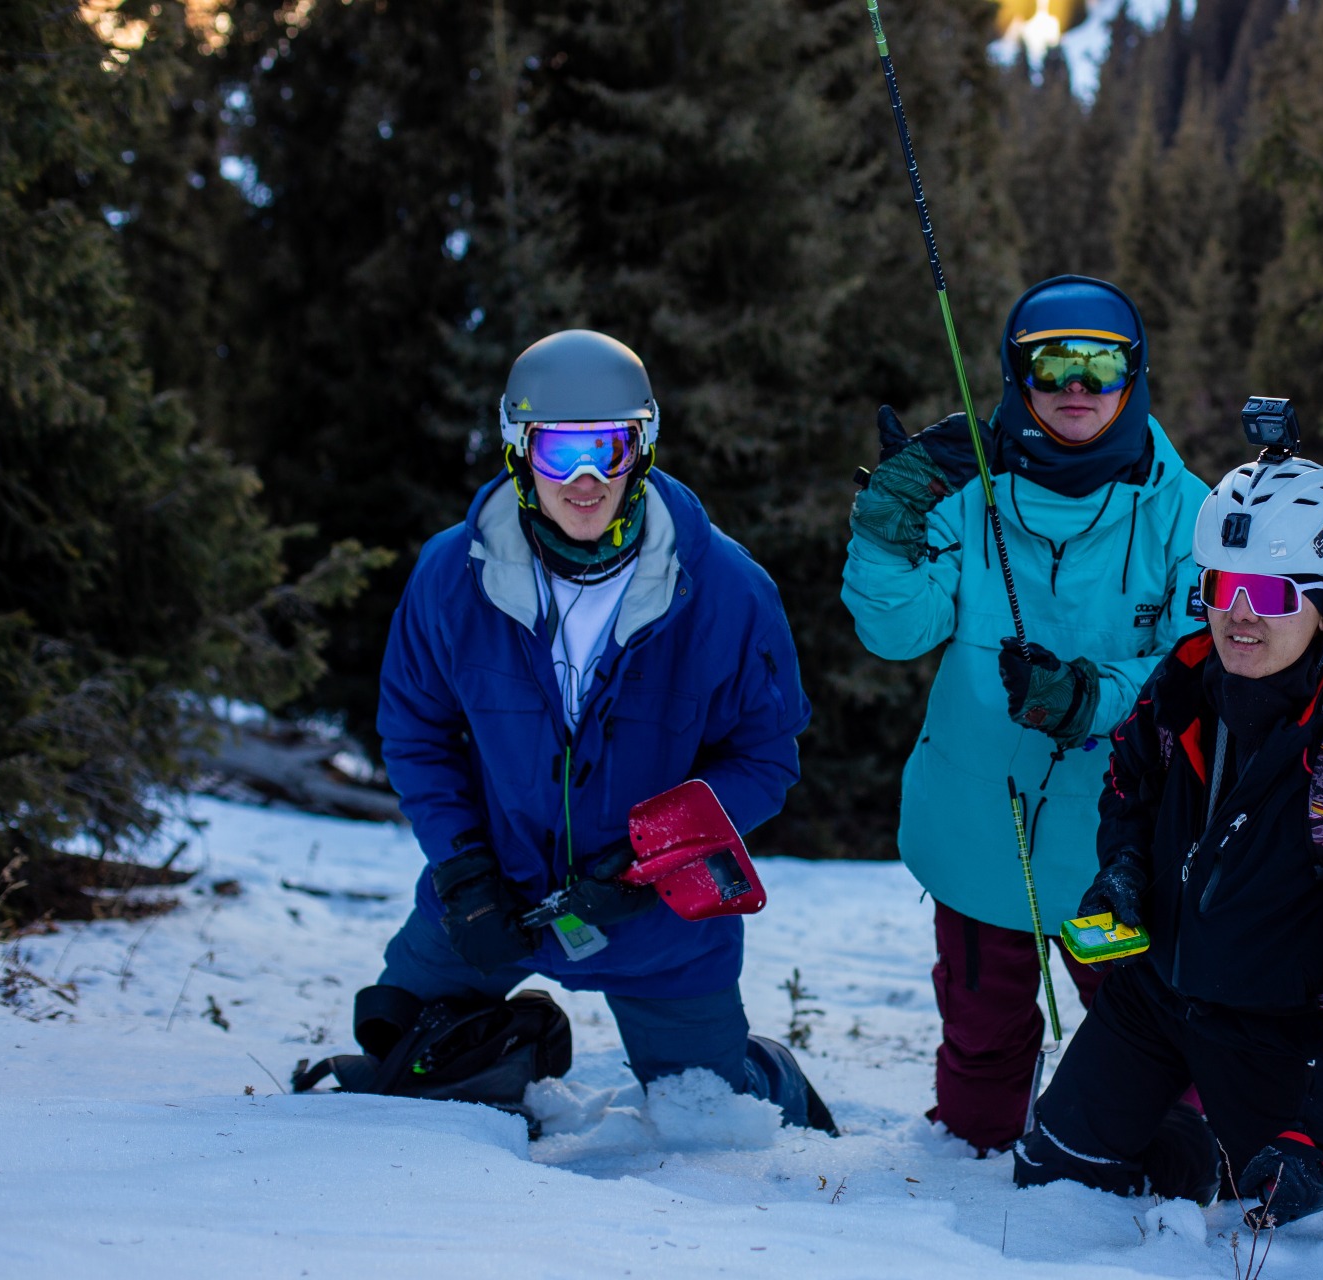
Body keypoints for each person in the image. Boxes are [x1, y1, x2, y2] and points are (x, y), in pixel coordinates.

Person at [373, 329, 833, 1131]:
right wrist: (464, 872)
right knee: (395, 1043)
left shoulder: (726, 590)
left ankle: (770, 1075)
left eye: (609, 450)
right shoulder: (453, 575)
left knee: (708, 1120)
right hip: (496, 900)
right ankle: (515, 1051)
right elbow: (415, 731)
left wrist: (652, 855)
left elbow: (765, 756)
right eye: (560, 454)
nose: (586, 481)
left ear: (642, 448)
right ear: (520, 451)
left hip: (659, 918)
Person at [1013, 442, 1323, 1224]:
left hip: (1275, 1028)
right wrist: (1122, 871)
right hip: (1153, 994)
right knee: (1054, 1177)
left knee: (1290, 1212)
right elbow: (1130, 780)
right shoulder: (1192, 677)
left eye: (1269, 591)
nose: (1239, 614)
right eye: (1220, 586)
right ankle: (1199, 1143)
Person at [842, 276, 1212, 1153]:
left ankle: (1180, 1179)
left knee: (1160, 1057)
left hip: (1120, 850)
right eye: (1053, 365)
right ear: (1018, 376)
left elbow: (1204, 667)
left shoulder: (1185, 511)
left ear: (1135, 374)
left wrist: (1095, 700)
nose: (1077, 387)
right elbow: (897, 630)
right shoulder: (965, 492)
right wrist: (886, 526)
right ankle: (970, 1191)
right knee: (980, 1059)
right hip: (978, 834)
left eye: (1101, 363)